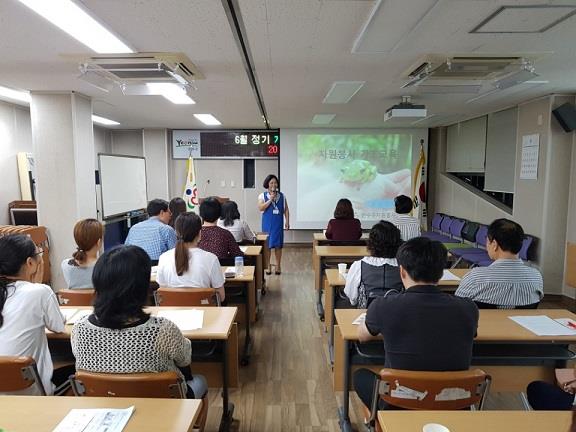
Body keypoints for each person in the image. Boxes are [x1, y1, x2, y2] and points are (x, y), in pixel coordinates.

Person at [353, 237, 478, 410]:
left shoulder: (384, 306)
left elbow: (362, 336)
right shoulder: (468, 308)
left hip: (398, 402)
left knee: (360, 376)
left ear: (402, 271)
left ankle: (381, 420)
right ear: (441, 272)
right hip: (454, 402)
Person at [71, 245, 208, 402]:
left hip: (103, 404)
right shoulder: (163, 330)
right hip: (163, 406)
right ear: (142, 286)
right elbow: (185, 359)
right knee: (200, 380)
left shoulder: (79, 329)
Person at [0, 234, 66, 395]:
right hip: (32, 395)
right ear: (30, 263)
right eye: (39, 255)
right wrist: (36, 282)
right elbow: (58, 326)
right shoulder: (39, 292)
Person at [455, 218, 543, 308]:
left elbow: (458, 307)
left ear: (494, 244)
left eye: (487, 241)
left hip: (483, 322)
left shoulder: (476, 277)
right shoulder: (536, 277)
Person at [157, 212, 226, 302]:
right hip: (205, 314)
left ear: (176, 233)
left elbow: (163, 293)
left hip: (172, 314)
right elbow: (220, 297)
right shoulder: (211, 259)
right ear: (199, 233)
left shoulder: (164, 258)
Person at [342, 221, 403, 308]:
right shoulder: (404, 266)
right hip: (397, 316)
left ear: (371, 243)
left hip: (366, 315)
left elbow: (352, 297)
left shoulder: (359, 265)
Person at [125, 199, 177, 264]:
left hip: (134, 267)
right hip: (157, 268)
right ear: (162, 212)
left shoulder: (134, 228)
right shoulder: (166, 229)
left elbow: (126, 250)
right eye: (169, 212)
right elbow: (176, 255)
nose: (170, 215)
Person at [258, 174, 290, 275]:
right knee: (267, 246)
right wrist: (270, 200)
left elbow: (286, 210)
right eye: (271, 182)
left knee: (278, 246)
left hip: (278, 225)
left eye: (275, 182)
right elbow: (261, 208)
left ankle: (278, 266)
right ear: (267, 184)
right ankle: (267, 266)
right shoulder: (262, 196)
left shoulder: (282, 196)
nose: (273, 184)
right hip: (267, 225)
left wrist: (287, 221)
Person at [61, 218, 103, 289]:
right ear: (99, 242)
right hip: (100, 300)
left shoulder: (66, 265)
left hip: (75, 300)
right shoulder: (105, 267)